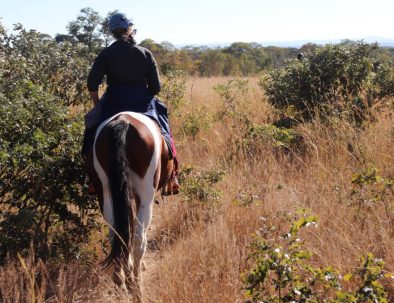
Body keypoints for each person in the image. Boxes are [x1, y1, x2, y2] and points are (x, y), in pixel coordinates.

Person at [81, 12, 179, 194]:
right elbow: (156, 87)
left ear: (112, 33)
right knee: (164, 127)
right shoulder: (145, 53)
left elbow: (92, 84)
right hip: (142, 101)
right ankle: (173, 173)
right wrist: (143, 94)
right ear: (130, 30)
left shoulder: (106, 54)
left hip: (113, 101)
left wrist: (97, 103)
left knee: (92, 129)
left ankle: (92, 179)